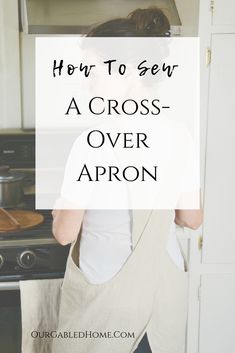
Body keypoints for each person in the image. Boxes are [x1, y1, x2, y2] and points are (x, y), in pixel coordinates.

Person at [52, 7, 203, 353]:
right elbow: (191, 218)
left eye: (94, 70)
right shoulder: (181, 135)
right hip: (162, 298)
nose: (87, 80)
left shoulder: (92, 142)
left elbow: (64, 234)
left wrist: (63, 206)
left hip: (106, 304)